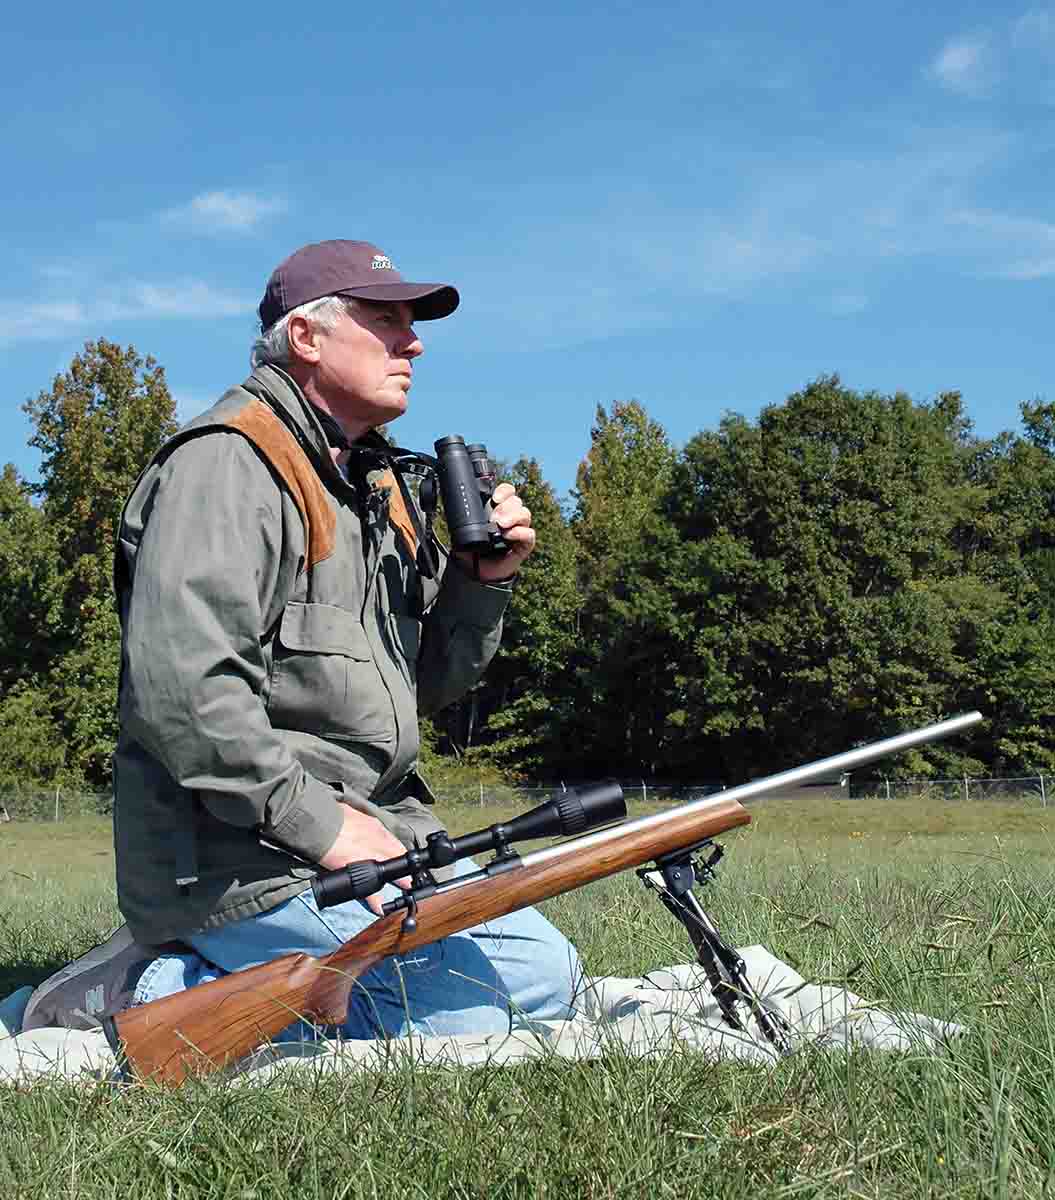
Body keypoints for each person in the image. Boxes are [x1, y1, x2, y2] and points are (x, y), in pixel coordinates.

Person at [111, 239, 581, 1042]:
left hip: (378, 835)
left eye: (413, 323)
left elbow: (421, 687)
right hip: (245, 859)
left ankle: (241, 982)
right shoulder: (228, 465)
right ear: (307, 337)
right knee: (475, 1011)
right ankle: (148, 986)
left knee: (546, 977)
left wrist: (482, 580)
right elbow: (185, 695)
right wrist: (323, 829)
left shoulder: (371, 487)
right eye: (387, 319)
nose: (415, 342)